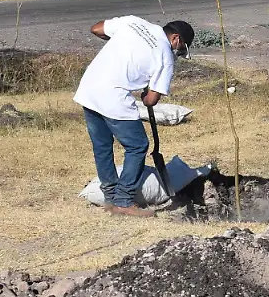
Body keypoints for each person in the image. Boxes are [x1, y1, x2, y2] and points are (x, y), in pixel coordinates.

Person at [73, 16, 195, 218]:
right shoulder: (165, 55)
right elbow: (150, 101)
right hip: (113, 95)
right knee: (137, 145)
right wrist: (147, 89)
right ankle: (123, 201)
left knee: (102, 145)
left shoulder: (133, 23)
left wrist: (123, 47)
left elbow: (96, 29)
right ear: (175, 38)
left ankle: (110, 195)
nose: (178, 53)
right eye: (181, 49)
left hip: (89, 87)